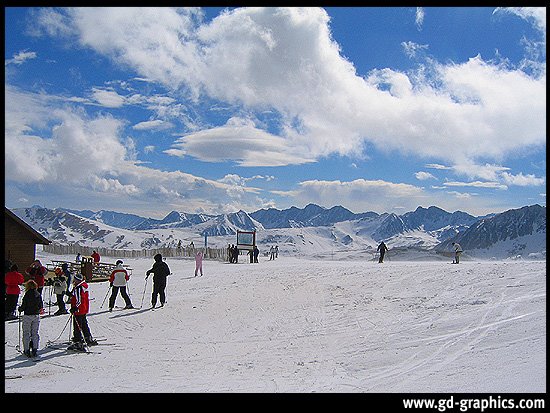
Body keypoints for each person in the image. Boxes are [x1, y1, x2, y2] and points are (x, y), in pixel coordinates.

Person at [68, 272, 98, 350]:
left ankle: (78, 342)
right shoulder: (83, 286)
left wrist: (74, 307)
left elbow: (79, 300)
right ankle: (88, 337)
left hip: (79, 309)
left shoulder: (78, 287)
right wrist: (71, 295)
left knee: (77, 325)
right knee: (84, 323)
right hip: (84, 308)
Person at [18, 280, 43, 357]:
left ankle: (27, 349)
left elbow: (24, 305)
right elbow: (40, 306)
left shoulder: (27, 294)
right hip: (36, 315)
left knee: (26, 333)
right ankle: (35, 349)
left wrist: (20, 309)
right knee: (35, 333)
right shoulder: (38, 294)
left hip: (28, 315)